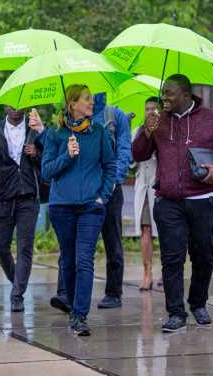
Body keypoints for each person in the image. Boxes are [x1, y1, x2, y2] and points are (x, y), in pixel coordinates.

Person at [132, 74, 213, 332]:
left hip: (203, 200)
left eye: (169, 93)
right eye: (163, 93)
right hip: (168, 202)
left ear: (186, 95)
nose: (164, 98)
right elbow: (138, 154)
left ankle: (198, 303)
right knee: (172, 258)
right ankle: (176, 312)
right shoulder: (157, 120)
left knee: (204, 255)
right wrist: (146, 131)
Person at [42, 84, 116, 336]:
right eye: (87, 100)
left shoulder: (100, 133)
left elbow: (110, 165)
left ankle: (80, 315)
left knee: (84, 259)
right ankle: (73, 306)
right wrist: (67, 155)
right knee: (69, 260)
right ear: (73, 104)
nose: (91, 103)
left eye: (92, 100)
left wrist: (103, 197)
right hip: (61, 207)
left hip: (90, 208)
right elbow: (46, 171)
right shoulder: (55, 134)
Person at [50, 92, 131, 311]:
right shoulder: (66, 120)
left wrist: (111, 184)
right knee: (71, 246)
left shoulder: (115, 115)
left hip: (108, 189)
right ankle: (66, 293)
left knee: (112, 240)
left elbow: (124, 150)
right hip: (79, 192)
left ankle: (113, 292)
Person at [0, 106, 45, 312]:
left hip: (28, 197)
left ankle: (17, 295)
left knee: (24, 248)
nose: (15, 110)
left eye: (18, 106)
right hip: (4, 198)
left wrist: (36, 153)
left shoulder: (34, 130)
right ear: (4, 106)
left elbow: (47, 162)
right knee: (0, 247)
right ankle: (17, 281)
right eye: (11, 106)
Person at [133, 97, 160, 291]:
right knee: (146, 229)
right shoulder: (138, 130)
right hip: (143, 185)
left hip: (162, 186)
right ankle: (147, 273)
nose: (150, 112)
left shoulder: (167, 128)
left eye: (154, 108)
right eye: (147, 109)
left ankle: (168, 272)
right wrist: (145, 133)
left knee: (168, 232)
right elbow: (133, 158)